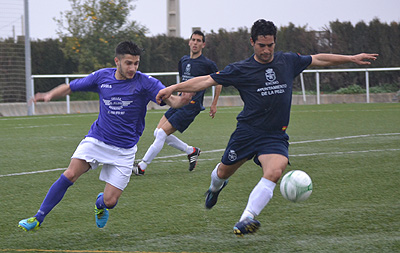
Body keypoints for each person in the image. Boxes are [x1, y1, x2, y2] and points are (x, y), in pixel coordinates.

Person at [156, 19, 378, 236]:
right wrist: (174, 87)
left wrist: (351, 58)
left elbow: (319, 59)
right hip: (247, 133)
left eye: (270, 45)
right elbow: (205, 81)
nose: (266, 50)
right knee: (222, 172)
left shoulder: (287, 61)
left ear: (275, 43)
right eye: (261, 45)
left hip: (274, 135)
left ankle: (246, 218)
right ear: (252, 42)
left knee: (274, 171)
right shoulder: (241, 69)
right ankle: (215, 188)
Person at [18, 41, 190, 232]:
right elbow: (71, 87)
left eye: (136, 63)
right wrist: (50, 95)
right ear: (117, 61)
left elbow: (172, 101)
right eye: (128, 63)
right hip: (97, 139)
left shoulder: (145, 82)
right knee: (70, 174)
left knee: (110, 201)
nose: (133, 68)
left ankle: (100, 205)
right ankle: (38, 217)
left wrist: (183, 99)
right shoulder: (102, 77)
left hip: (124, 150)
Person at [133, 30, 221, 175]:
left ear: (203, 44)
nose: (195, 43)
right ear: (189, 41)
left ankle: (142, 166)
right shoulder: (184, 60)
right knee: (158, 132)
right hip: (179, 102)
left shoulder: (207, 64)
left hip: (191, 106)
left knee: (161, 134)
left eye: (199, 41)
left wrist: (214, 103)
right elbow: (182, 82)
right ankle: (191, 151)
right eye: (193, 40)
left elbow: (218, 82)